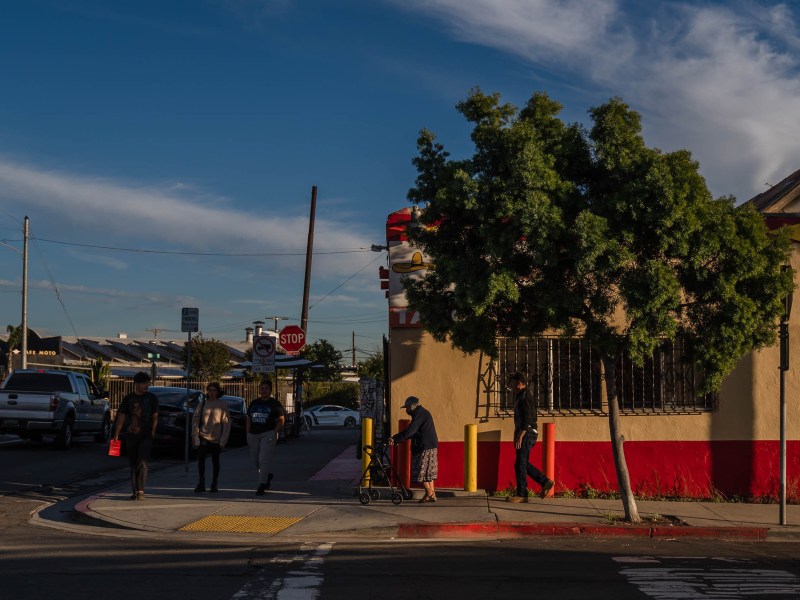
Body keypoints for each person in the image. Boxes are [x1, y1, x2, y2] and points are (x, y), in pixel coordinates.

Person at [507, 371, 554, 503]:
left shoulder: (526, 397)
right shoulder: (521, 396)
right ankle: (545, 482)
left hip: (527, 433)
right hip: (525, 433)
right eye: (513, 382)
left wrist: (520, 436)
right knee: (520, 464)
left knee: (521, 464)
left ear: (521, 383)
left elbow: (527, 419)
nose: (513, 385)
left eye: (515, 382)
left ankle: (522, 494)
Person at [113, 371, 159, 501]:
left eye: (147, 382)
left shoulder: (151, 398)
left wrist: (153, 431)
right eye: (144, 382)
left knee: (142, 462)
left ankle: (141, 490)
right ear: (136, 384)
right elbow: (121, 416)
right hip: (131, 435)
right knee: (133, 463)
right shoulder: (128, 399)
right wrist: (116, 434)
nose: (146, 385)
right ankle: (135, 490)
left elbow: (155, 416)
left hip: (146, 435)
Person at [388, 396, 438, 503]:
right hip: (430, 445)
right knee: (428, 472)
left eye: (407, 407)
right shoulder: (422, 413)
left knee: (421, 471)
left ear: (413, 406)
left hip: (424, 446)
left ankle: (430, 493)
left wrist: (395, 438)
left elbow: (411, 431)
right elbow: (413, 431)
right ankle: (431, 494)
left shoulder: (419, 414)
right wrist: (397, 439)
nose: (406, 410)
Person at [246, 379, 285, 496]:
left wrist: (275, 432)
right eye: (262, 388)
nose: (264, 391)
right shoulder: (254, 403)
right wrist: (248, 432)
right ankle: (266, 475)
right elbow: (248, 418)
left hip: (267, 433)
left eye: (266, 388)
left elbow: (281, 419)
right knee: (255, 461)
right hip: (253, 434)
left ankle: (261, 485)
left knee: (264, 460)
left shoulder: (275, 404)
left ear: (270, 390)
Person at [192, 381, 231, 494]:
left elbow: (226, 422)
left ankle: (214, 484)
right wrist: (195, 435)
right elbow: (195, 419)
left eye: (214, 390)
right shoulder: (203, 403)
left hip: (216, 437)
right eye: (210, 390)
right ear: (207, 391)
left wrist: (223, 439)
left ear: (217, 392)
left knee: (215, 461)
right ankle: (201, 483)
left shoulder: (222, 404)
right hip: (203, 436)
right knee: (201, 460)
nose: (212, 393)